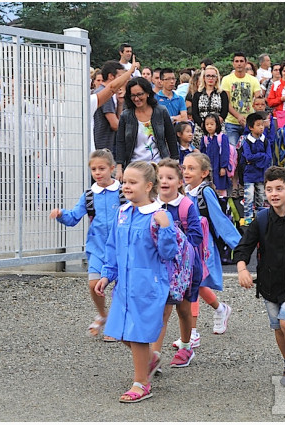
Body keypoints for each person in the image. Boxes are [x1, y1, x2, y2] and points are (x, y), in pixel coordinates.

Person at [95, 161, 177, 403]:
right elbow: (112, 247)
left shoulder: (158, 215)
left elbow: (168, 253)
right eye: (125, 182)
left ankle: (141, 383)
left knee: (138, 334)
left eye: (133, 182)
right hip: (124, 286)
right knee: (119, 330)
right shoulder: (122, 213)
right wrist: (106, 274)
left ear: (148, 185)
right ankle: (149, 360)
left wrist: (165, 228)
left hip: (147, 285)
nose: (126, 187)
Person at [234, 166, 285, 390]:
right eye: (269, 189)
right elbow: (244, 247)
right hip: (268, 282)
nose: (273, 193)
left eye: (279, 189)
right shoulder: (261, 219)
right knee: (277, 326)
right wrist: (242, 268)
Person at [49, 149, 123, 342]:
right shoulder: (90, 195)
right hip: (97, 248)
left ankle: (114, 327)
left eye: (102, 168)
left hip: (121, 249)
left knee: (119, 289)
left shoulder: (123, 192)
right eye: (93, 169)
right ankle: (102, 314)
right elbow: (73, 218)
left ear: (112, 169)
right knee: (93, 284)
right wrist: (60, 214)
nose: (97, 173)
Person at [152, 158, 204, 369]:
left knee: (183, 309)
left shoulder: (186, 206)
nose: (164, 181)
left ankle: (185, 346)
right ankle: (153, 356)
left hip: (185, 268)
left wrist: (176, 244)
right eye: (160, 178)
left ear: (180, 182)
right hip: (161, 267)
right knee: (162, 310)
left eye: (170, 178)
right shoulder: (151, 206)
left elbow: (196, 235)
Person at [182, 152, 241, 336]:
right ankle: (221, 309)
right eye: (184, 168)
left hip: (202, 247)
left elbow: (219, 219)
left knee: (193, 286)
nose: (186, 172)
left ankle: (191, 333)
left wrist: (239, 246)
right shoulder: (184, 191)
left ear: (204, 173)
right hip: (187, 247)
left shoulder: (205, 191)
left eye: (192, 168)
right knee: (196, 285)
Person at [115, 77, 180, 182]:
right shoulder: (126, 116)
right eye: (133, 95)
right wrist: (119, 167)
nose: (136, 99)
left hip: (158, 166)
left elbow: (171, 137)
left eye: (140, 94)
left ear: (148, 93)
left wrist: (175, 162)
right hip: (135, 166)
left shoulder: (161, 111)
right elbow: (120, 142)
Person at [221, 52, 262, 148]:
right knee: (232, 149)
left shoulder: (253, 80)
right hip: (231, 122)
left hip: (249, 122)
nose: (239, 64)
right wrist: (238, 116)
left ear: (245, 63)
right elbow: (225, 102)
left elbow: (258, 99)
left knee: (250, 148)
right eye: (237, 61)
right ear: (233, 63)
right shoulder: (226, 79)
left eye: (241, 61)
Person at [240, 112, 272, 224]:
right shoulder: (247, 141)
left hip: (261, 172)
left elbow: (269, 156)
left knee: (261, 196)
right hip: (249, 173)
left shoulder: (265, 140)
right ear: (251, 128)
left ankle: (260, 217)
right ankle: (248, 217)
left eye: (262, 125)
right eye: (258, 125)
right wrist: (261, 156)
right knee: (248, 197)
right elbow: (248, 156)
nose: (261, 127)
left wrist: (257, 158)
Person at [93, 61, 125, 154]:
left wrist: (120, 104)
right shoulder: (105, 95)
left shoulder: (105, 93)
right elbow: (115, 125)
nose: (122, 81)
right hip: (103, 146)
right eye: (120, 77)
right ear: (111, 76)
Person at [199, 113, 230, 197]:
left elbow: (225, 153)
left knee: (220, 188)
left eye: (212, 124)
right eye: (207, 124)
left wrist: (223, 167)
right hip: (209, 167)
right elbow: (202, 154)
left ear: (217, 125)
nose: (209, 126)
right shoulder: (205, 138)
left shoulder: (222, 137)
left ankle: (223, 204)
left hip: (218, 167)